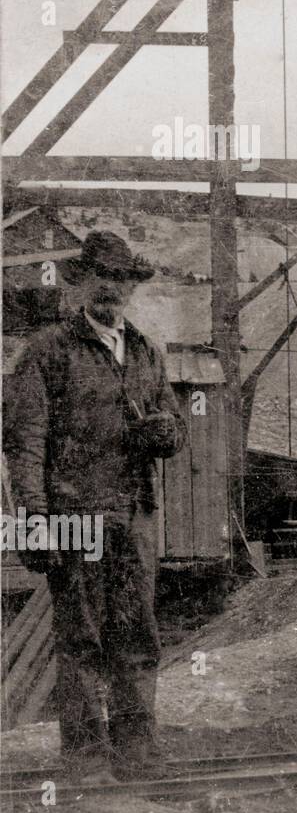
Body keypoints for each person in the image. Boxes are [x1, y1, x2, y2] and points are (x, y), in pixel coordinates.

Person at [4, 230, 186, 782]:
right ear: (82, 283)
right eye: (100, 278)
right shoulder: (47, 352)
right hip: (72, 517)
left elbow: (177, 428)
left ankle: (138, 751)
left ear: (131, 286)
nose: (111, 289)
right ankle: (84, 758)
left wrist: (165, 431)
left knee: (136, 635)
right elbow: (25, 441)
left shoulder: (148, 352)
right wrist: (35, 521)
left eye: (121, 279)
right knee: (81, 639)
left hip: (133, 516)